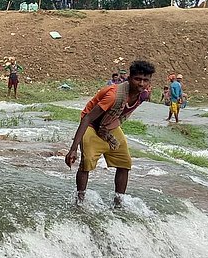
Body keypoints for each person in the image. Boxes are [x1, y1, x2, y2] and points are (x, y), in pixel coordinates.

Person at [64, 59, 155, 207]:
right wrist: (73, 148)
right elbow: (87, 117)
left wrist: (110, 126)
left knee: (125, 163)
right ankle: (79, 202)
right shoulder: (113, 95)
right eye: (138, 79)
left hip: (109, 126)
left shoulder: (143, 95)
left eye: (146, 80)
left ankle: (118, 202)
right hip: (92, 126)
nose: (141, 84)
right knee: (86, 163)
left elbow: (124, 112)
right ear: (129, 78)